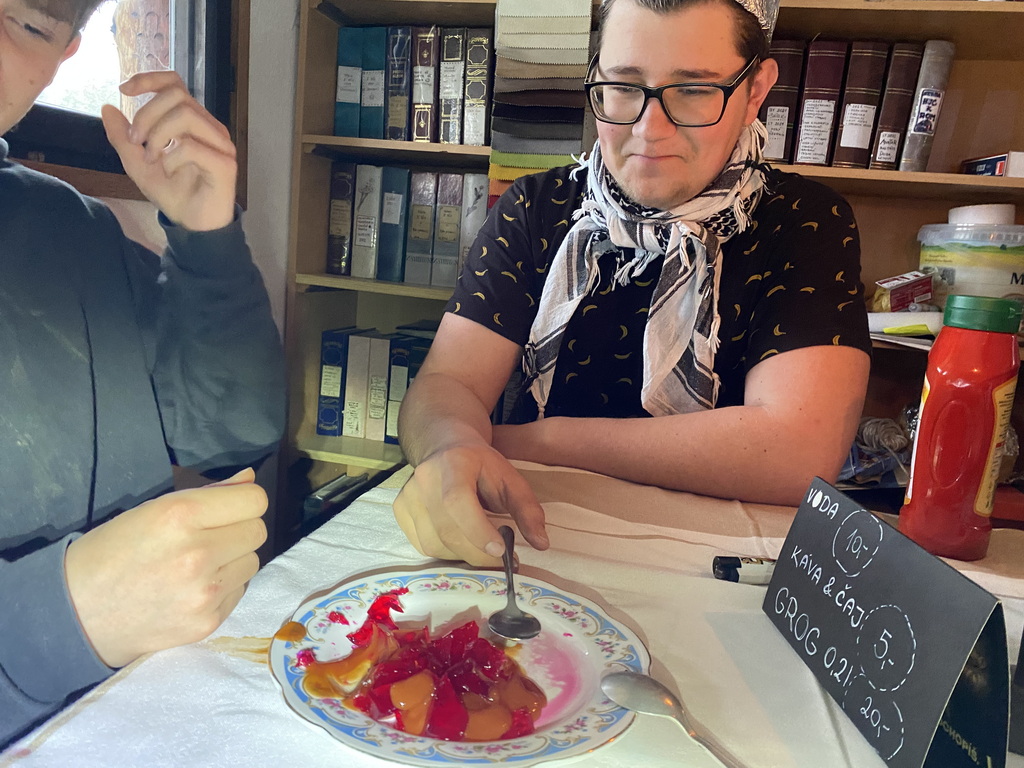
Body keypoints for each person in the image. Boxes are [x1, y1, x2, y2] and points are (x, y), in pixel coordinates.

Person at [394, 0, 871, 566]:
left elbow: (796, 451)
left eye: (693, 90)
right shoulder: (536, 207)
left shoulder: (803, 222)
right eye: (623, 87)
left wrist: (539, 440)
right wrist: (452, 445)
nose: (650, 129)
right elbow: (449, 382)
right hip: (541, 544)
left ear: (756, 91)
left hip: (715, 566)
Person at [0, 0, 285, 745]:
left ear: (64, 55)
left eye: (28, 24)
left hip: (158, 722)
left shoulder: (73, 228)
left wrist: (207, 236)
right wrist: (57, 619)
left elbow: (228, 433)